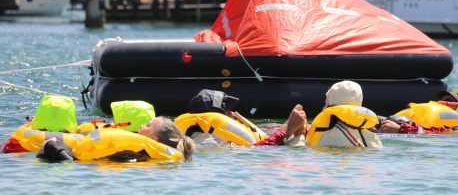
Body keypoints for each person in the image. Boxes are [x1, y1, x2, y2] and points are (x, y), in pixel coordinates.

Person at [179, 89, 307, 147]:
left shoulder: (216, 134)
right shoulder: (209, 141)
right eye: (225, 110)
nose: (231, 114)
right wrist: (287, 128)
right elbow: (261, 151)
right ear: (212, 115)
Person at [37, 116, 195, 163]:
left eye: (147, 125)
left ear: (154, 138)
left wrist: (51, 147)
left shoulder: (129, 155)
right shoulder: (139, 154)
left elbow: (71, 163)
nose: (141, 125)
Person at [308, 80, 382, 147]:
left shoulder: (329, 137)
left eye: (326, 104)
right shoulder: (373, 137)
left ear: (331, 107)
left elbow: (304, 155)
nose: (323, 108)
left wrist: (299, 135)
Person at [377, 88, 458, 134]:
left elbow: (439, 131)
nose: (442, 103)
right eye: (441, 99)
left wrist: (401, 129)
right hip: (415, 131)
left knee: (399, 121)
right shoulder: (431, 114)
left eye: (449, 101)